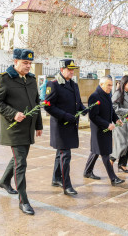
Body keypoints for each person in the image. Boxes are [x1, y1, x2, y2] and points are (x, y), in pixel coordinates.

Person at [0, 48, 43, 215]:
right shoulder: (5, 79)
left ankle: (4, 181)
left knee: (19, 158)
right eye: (25, 63)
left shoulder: (31, 80)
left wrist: (39, 125)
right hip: (13, 128)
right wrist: (13, 114)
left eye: (30, 63)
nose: (28, 66)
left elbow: (36, 103)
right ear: (15, 62)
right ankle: (23, 201)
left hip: (27, 128)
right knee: (21, 163)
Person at [44, 59, 86, 196]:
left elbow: (77, 102)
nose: (72, 72)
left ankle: (56, 179)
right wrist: (64, 115)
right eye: (69, 69)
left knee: (60, 155)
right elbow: (48, 106)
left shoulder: (73, 84)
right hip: (61, 126)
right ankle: (66, 185)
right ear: (62, 70)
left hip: (71, 125)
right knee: (65, 156)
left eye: (73, 69)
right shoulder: (54, 84)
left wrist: (83, 109)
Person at [83, 76, 125, 186]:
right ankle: (113, 178)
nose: (111, 87)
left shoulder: (107, 95)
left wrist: (116, 119)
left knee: (96, 151)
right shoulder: (94, 96)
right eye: (109, 85)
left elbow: (111, 110)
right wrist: (107, 124)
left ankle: (87, 171)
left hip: (107, 127)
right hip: (99, 130)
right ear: (101, 84)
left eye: (112, 85)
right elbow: (93, 116)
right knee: (105, 153)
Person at [110, 75, 128, 173]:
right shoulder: (118, 93)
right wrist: (126, 110)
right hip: (120, 122)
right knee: (121, 144)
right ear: (124, 83)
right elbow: (113, 108)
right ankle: (111, 160)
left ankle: (122, 165)